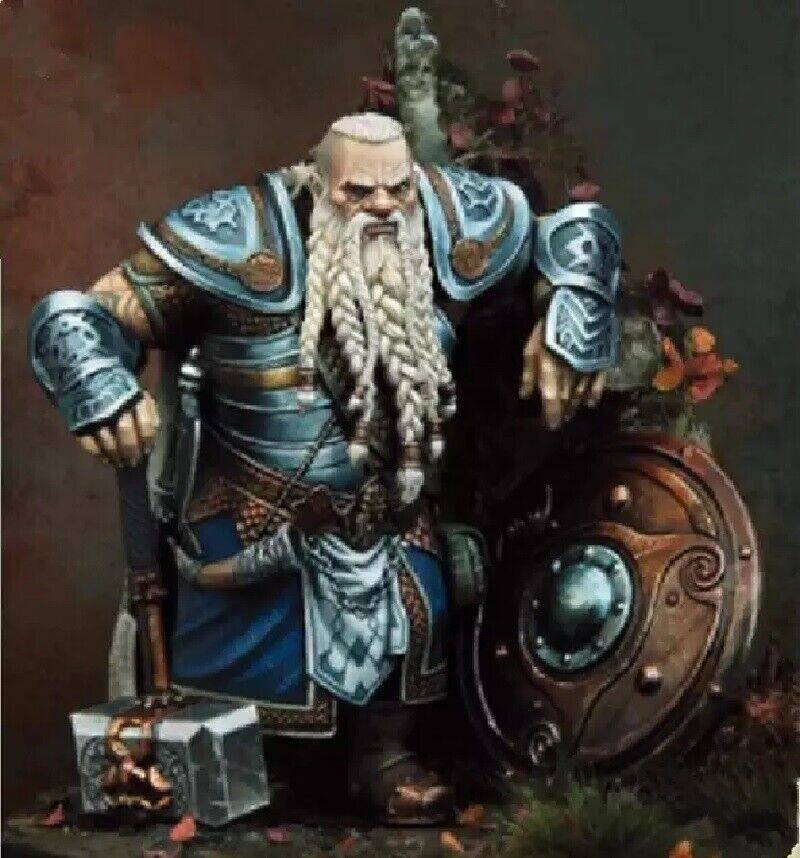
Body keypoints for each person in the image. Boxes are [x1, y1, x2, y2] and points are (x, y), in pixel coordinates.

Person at [28, 112, 621, 823]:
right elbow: (87, 314)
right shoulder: (235, 235)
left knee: (418, 595)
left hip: (388, 515)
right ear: (317, 182)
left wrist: (572, 313)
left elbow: (572, 233)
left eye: (397, 190)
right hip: (253, 519)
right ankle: (247, 764)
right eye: (357, 192)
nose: (382, 207)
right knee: (242, 652)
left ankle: (383, 756)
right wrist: (98, 384)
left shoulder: (448, 217)